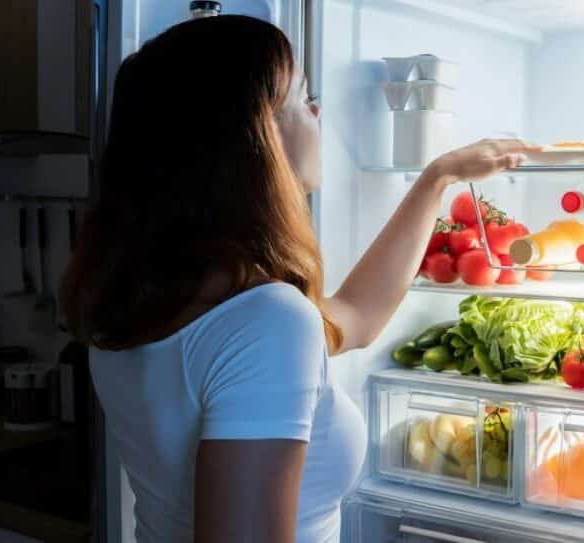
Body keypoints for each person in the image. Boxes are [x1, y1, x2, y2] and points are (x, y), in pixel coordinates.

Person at [61, 15, 537, 543]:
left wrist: (437, 178)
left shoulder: (140, 296)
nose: (319, 112)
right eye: (304, 99)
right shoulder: (265, 321)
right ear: (256, 138)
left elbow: (355, 316)